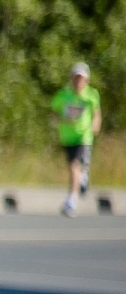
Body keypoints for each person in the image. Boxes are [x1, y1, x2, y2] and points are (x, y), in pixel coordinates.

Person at [54, 62, 101, 217]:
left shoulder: (91, 95)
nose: (78, 82)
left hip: (84, 136)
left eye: (81, 78)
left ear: (86, 80)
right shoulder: (63, 95)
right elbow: (54, 113)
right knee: (74, 168)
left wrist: (95, 125)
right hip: (68, 136)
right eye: (76, 78)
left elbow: (96, 113)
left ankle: (71, 201)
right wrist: (62, 119)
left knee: (75, 166)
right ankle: (82, 179)